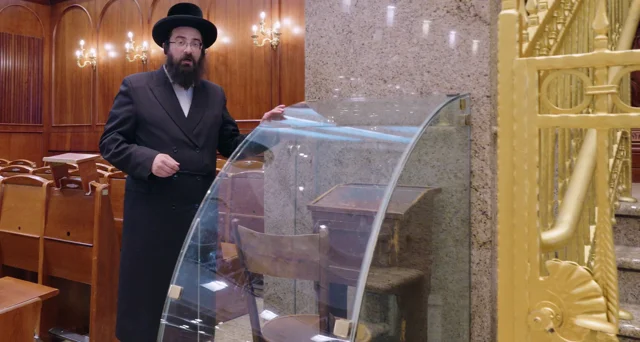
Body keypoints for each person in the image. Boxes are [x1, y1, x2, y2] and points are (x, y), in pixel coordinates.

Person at [98, 3, 284, 341]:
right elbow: (110, 141)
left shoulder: (214, 95)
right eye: (181, 41)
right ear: (166, 47)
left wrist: (263, 130)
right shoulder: (137, 87)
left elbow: (230, 143)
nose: (188, 49)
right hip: (151, 217)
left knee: (194, 302)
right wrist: (148, 160)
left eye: (196, 43)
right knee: (146, 300)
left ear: (202, 51)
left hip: (199, 217)